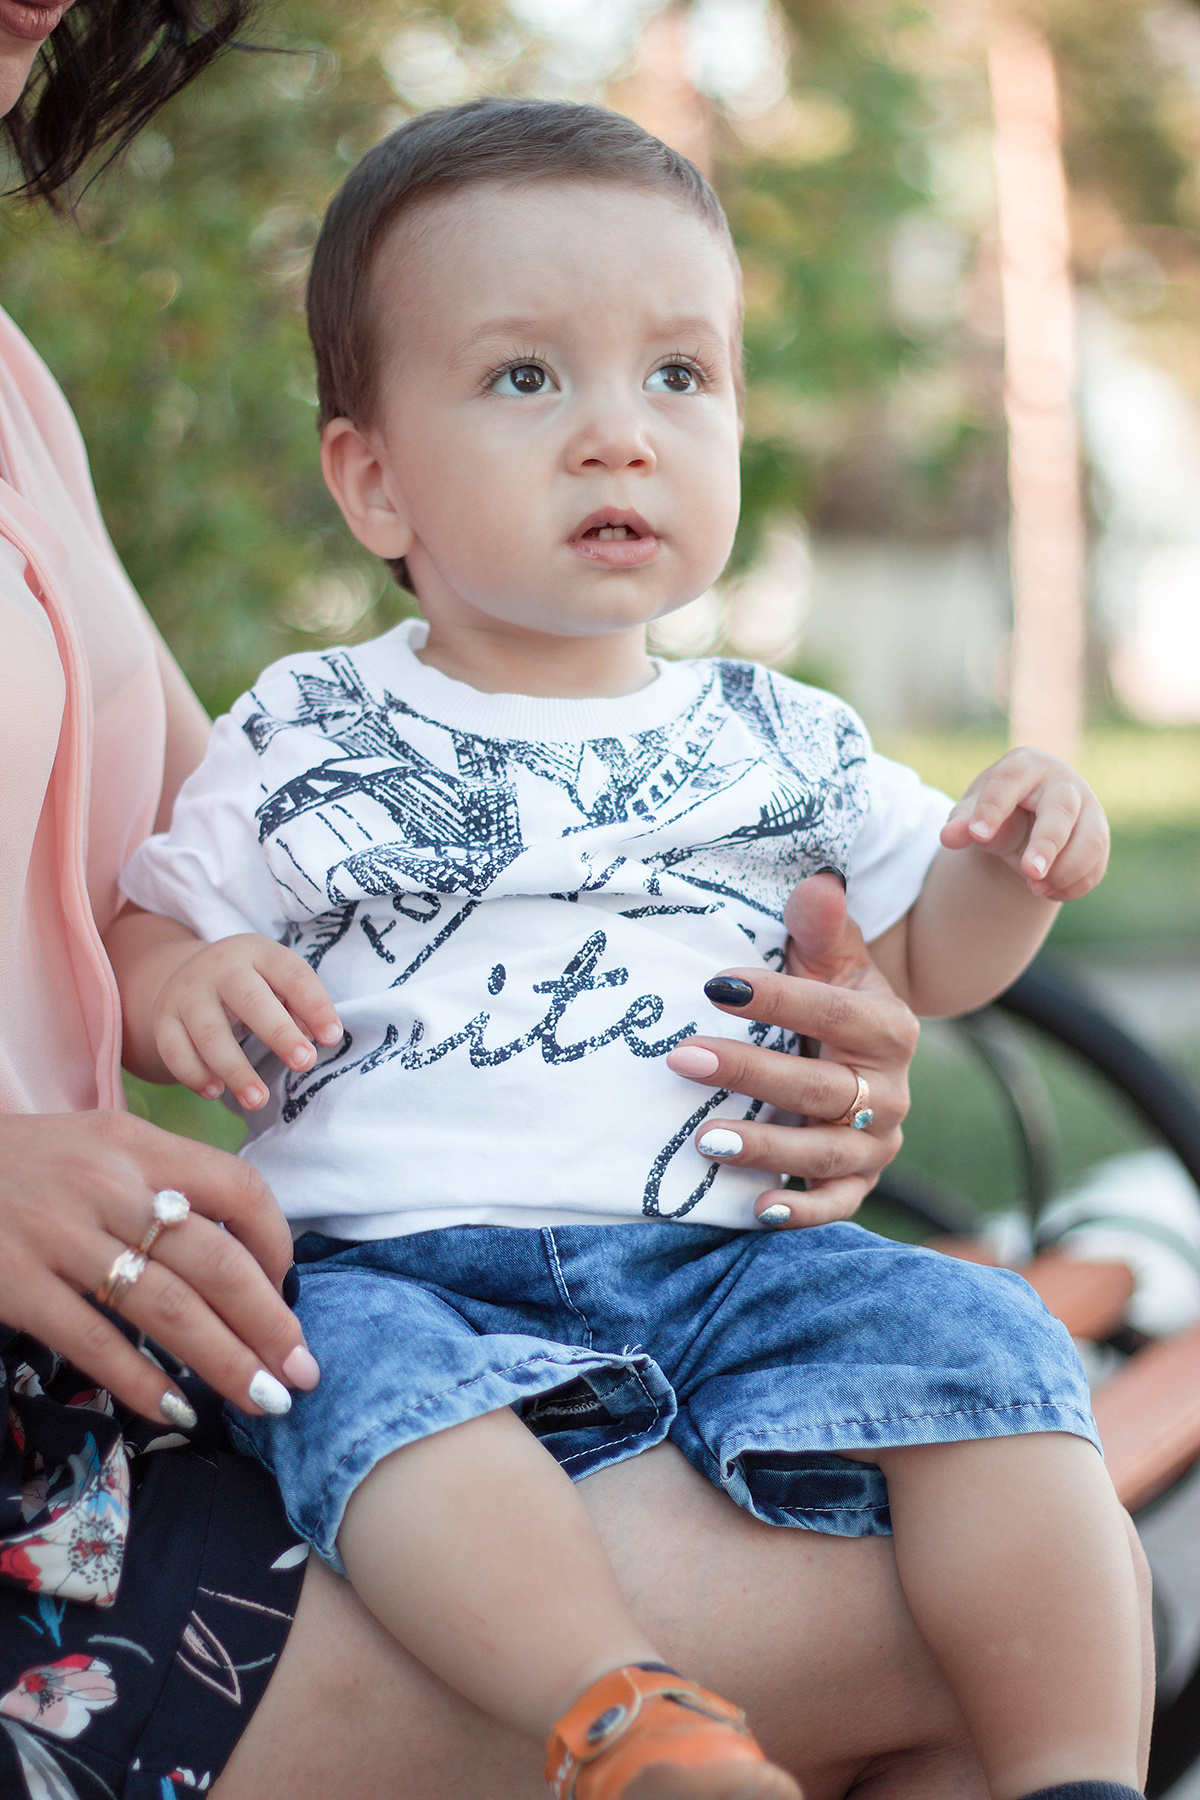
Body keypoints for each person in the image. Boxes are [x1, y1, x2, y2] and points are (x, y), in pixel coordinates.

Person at [0, 15, 1124, 1800]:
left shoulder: (783, 732)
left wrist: (1008, 866)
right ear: (371, 479)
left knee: (990, 1345)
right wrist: (185, 979)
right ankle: (624, 1710)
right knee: (366, 1405)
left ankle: (1087, 1773)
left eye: (681, 376)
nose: (619, 436)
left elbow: (924, 966)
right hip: (396, 1260)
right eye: (529, 381)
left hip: (730, 1253)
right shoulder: (316, 726)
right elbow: (151, 915)